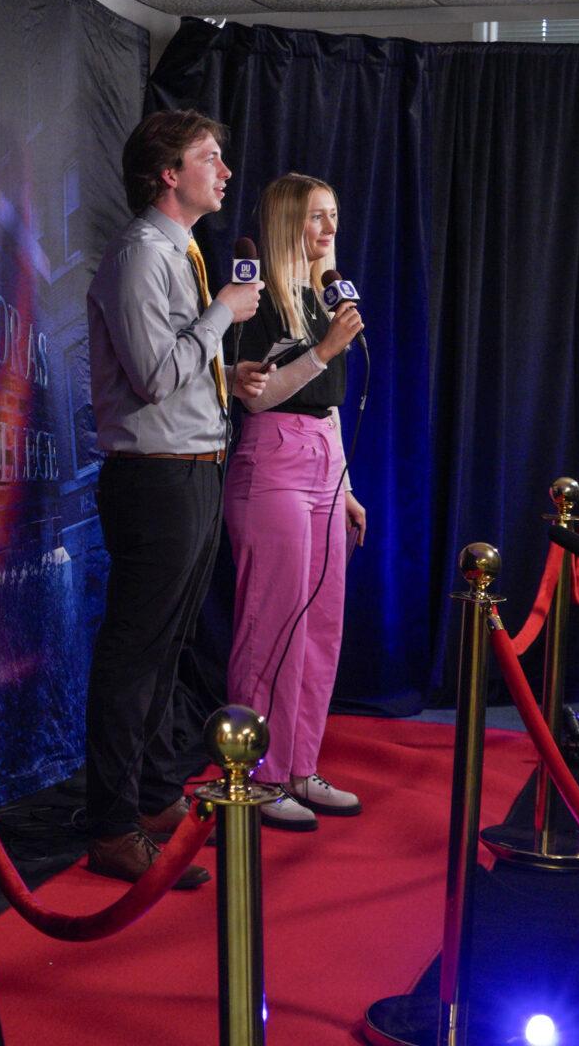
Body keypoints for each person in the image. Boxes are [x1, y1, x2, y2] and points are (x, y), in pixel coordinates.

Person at [80, 109, 259, 887]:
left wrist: (232, 377)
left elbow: (179, 369)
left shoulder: (178, 251)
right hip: (154, 477)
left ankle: (152, 798)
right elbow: (153, 376)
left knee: (168, 649)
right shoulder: (139, 256)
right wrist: (223, 313)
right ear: (167, 173)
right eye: (208, 158)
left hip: (193, 465)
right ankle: (112, 827)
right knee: (134, 657)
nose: (223, 171)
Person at [223, 174, 368, 830]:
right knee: (272, 624)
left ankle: (301, 766)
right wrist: (325, 351)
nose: (329, 230)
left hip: (324, 465)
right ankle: (256, 772)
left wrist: (348, 487)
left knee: (321, 622)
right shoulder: (263, 302)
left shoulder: (322, 298)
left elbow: (332, 403)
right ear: (288, 224)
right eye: (316, 218)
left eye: (334, 216)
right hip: (273, 459)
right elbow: (254, 394)